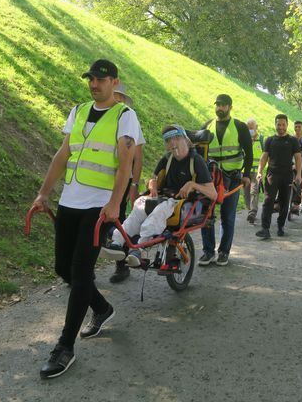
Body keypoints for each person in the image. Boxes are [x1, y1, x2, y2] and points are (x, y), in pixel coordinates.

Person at [31, 59, 145, 378]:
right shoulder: (78, 111)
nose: (94, 84)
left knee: (81, 271)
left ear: (114, 82)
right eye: (91, 79)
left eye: (101, 79)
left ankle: (64, 348)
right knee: (62, 268)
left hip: (99, 207)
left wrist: (114, 203)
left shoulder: (125, 116)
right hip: (70, 201)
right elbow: (63, 154)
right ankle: (102, 308)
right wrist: (43, 193)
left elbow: (125, 165)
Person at [101, 125, 217, 268]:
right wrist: (153, 184)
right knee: (139, 205)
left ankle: (140, 249)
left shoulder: (196, 161)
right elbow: (153, 178)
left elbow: (213, 194)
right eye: (168, 140)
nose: (172, 143)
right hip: (163, 198)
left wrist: (192, 184)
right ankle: (117, 243)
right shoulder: (167, 159)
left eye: (176, 138)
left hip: (183, 203)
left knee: (159, 211)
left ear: (186, 140)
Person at [199, 94, 252, 266]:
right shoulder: (207, 126)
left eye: (223, 105)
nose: (219, 108)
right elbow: (199, 154)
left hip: (233, 178)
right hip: (210, 179)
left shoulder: (240, 127)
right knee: (206, 215)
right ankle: (208, 252)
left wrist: (246, 175)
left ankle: (223, 252)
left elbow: (249, 153)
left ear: (230, 107)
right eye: (217, 105)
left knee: (227, 217)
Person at [109, 82, 145, 284]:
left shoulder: (131, 120)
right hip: (99, 180)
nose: (117, 99)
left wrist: (134, 186)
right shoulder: (104, 118)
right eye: (115, 96)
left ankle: (121, 266)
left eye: (120, 97)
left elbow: (138, 159)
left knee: (119, 220)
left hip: (123, 181)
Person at [255, 114, 302, 239]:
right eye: (278, 124)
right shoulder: (270, 140)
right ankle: (265, 229)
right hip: (272, 174)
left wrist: (298, 174)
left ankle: (280, 226)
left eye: (283, 124)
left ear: (287, 125)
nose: (281, 127)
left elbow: (298, 158)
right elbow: (264, 157)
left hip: (287, 175)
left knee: (284, 201)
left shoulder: (292, 140)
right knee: (268, 200)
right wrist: (259, 171)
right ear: (275, 124)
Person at [244, 118, 264, 225]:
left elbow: (265, 155)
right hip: (245, 172)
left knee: (254, 191)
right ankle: (249, 210)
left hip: (257, 171)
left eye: (251, 128)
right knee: (246, 193)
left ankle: (252, 212)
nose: (250, 130)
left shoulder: (261, 139)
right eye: (248, 128)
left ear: (256, 127)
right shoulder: (244, 139)